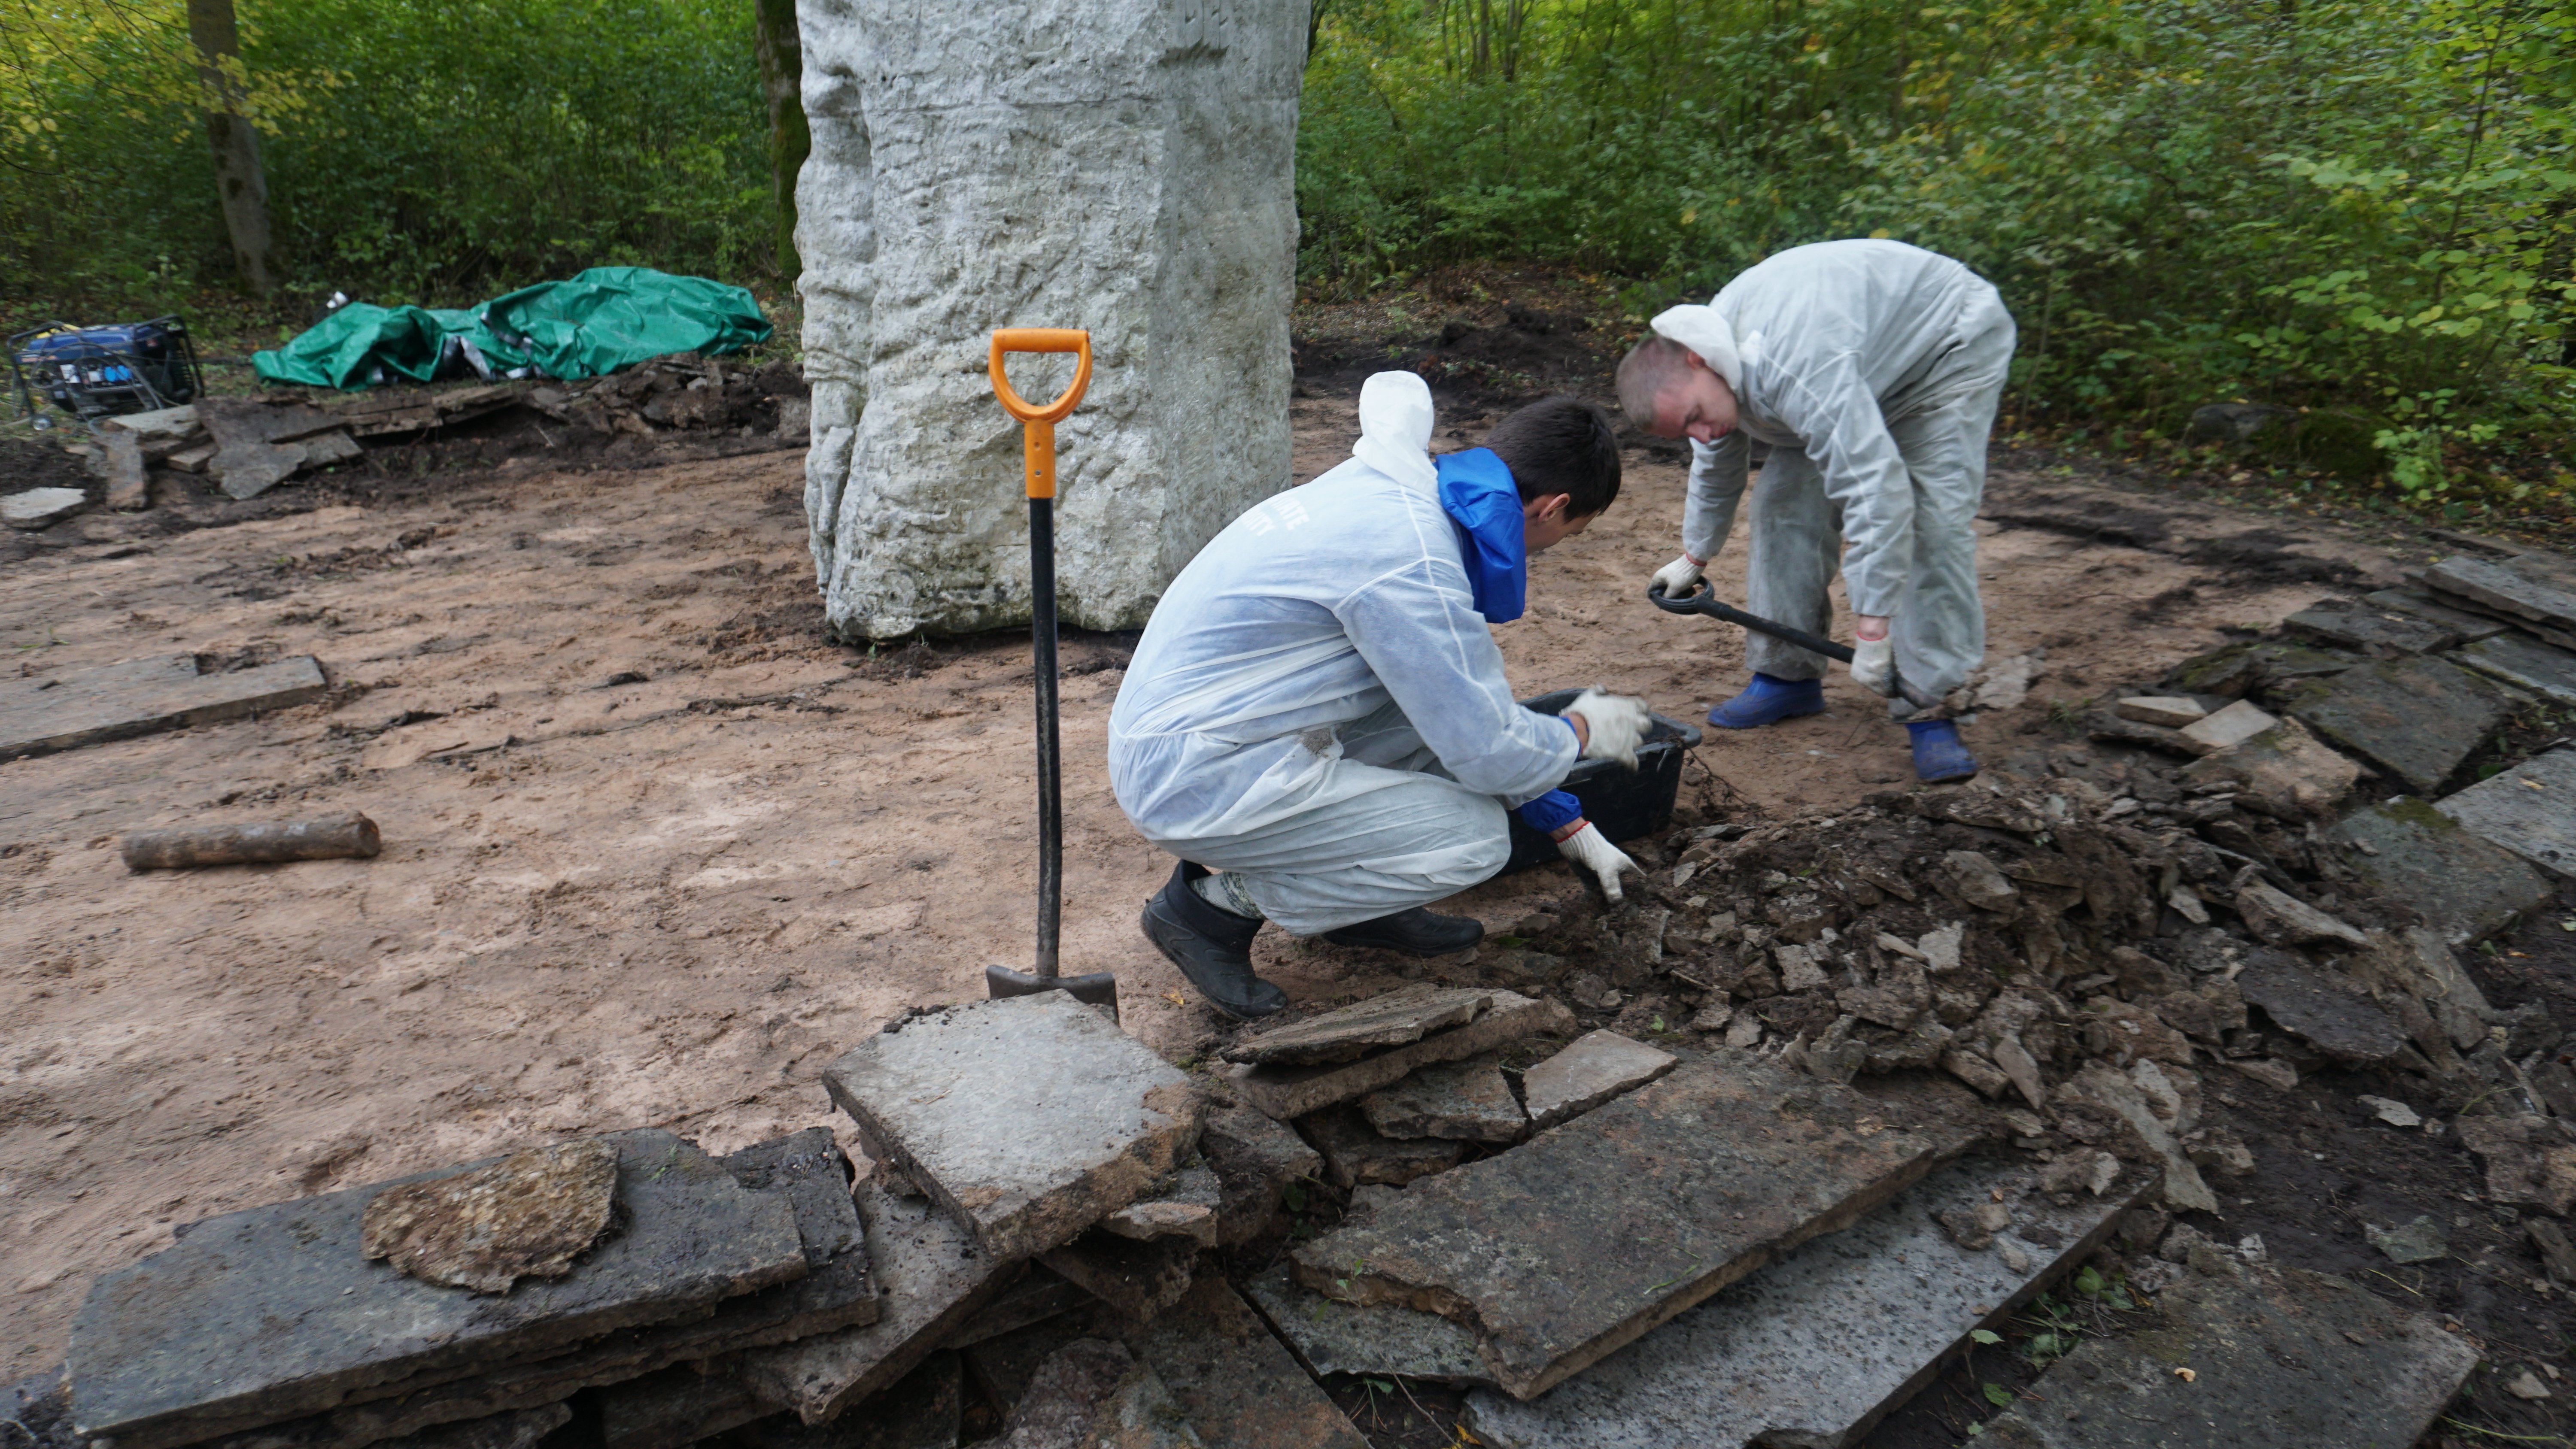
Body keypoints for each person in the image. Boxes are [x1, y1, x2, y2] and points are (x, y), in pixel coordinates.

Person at [1108, 375, 1653, 1019]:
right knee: (1474, 842)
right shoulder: (1412, 563)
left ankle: (1359, 907)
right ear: (1551, 508)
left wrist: (1567, 821)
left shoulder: (1395, 493)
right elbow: (1489, 750)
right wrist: (1581, 732)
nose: (1559, 547)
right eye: (1574, 532)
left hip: (1212, 727)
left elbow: (1455, 716)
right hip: (1198, 773)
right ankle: (1207, 911)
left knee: (1424, 712)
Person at [1616, 238, 2015, 783]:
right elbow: (1714, 465)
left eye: (1695, 417)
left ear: (1697, 361)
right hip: (1853, 366)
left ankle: (1931, 702)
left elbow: (1876, 491)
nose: (1702, 433)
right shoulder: (1707, 375)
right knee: (1783, 503)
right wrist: (1695, 555)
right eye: (1685, 430)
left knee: (1930, 524)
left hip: (1943, 348)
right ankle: (1788, 678)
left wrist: (1872, 627)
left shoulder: (1793, 365)